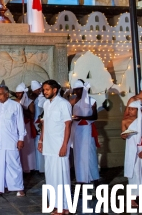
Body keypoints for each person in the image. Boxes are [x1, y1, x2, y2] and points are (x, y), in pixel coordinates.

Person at [38, 80, 72, 215]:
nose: (44, 92)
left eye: (47, 89)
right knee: (51, 176)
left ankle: (65, 207)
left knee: (61, 176)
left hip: (59, 146)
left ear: (55, 90)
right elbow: (45, 123)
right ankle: (55, 203)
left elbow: (68, 126)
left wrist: (64, 145)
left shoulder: (64, 104)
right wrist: (41, 141)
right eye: (43, 89)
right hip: (48, 145)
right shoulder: (46, 104)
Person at [0, 85, 26, 196]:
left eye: (0, 94)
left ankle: (19, 187)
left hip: (11, 140)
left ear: (7, 94)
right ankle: (0, 188)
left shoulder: (15, 106)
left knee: (14, 164)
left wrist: (21, 139)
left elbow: (20, 123)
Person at [69, 79, 100, 184]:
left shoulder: (92, 101)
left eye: (79, 90)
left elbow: (95, 116)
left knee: (90, 155)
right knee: (78, 154)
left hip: (87, 129)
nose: (77, 92)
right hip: (76, 130)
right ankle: (81, 179)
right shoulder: (72, 101)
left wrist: (81, 117)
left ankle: (94, 179)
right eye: (75, 90)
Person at [122, 100, 142, 209]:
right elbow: (123, 134)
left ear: (138, 110)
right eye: (129, 108)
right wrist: (124, 136)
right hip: (131, 149)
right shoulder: (125, 121)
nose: (130, 111)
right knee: (133, 173)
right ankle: (132, 198)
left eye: (133, 109)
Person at [14, 82, 36, 173]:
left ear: (23, 93)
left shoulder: (30, 102)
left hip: (26, 125)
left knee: (27, 146)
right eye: (17, 93)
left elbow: (31, 115)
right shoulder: (14, 101)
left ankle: (28, 167)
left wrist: (22, 108)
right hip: (17, 126)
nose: (18, 94)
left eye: (19, 93)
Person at [29, 80, 46, 173]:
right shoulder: (36, 99)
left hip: (40, 124)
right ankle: (39, 167)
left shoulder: (43, 99)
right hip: (37, 123)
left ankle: (42, 168)